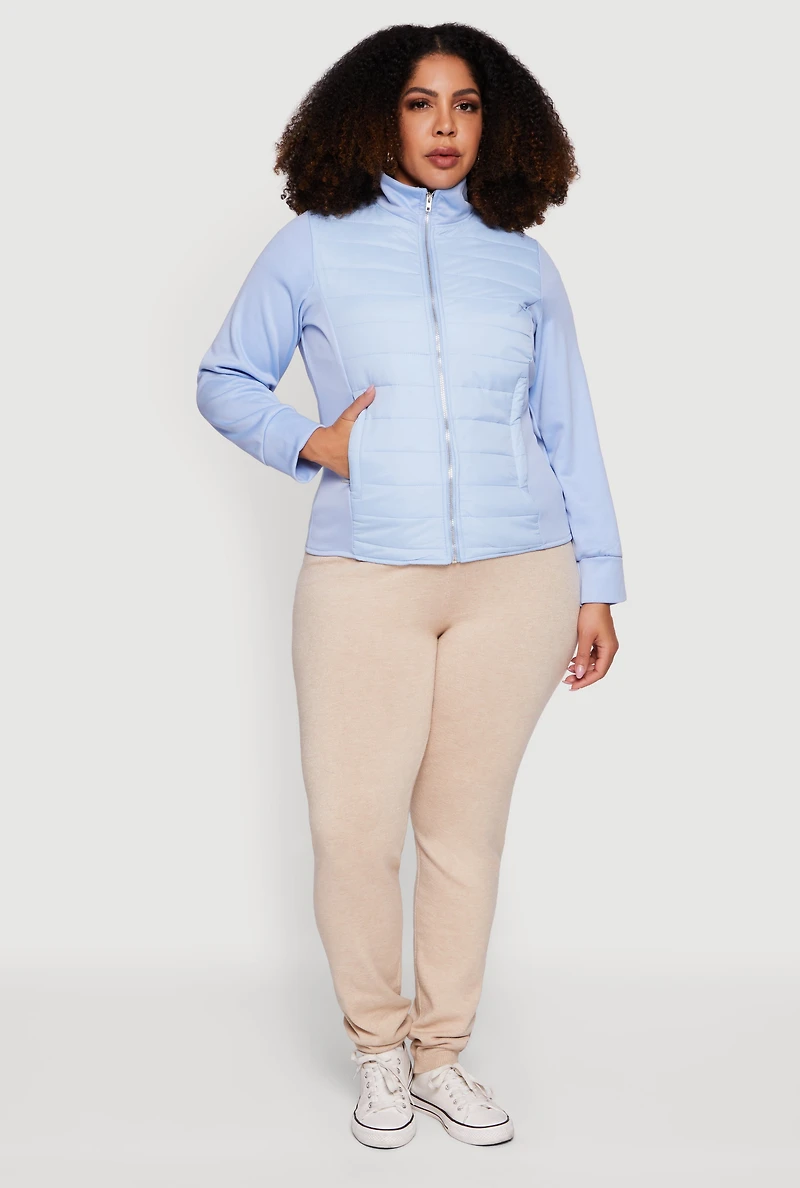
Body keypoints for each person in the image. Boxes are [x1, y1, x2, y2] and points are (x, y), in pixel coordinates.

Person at [196, 22, 626, 1150]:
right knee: (352, 829)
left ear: (496, 122)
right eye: (421, 103)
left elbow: (568, 427)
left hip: (517, 577)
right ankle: (377, 1050)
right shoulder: (312, 247)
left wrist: (596, 582)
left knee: (462, 832)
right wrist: (310, 442)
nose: (445, 126)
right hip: (364, 574)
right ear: (375, 115)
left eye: (467, 104)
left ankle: (441, 1056)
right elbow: (225, 375)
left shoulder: (521, 262)